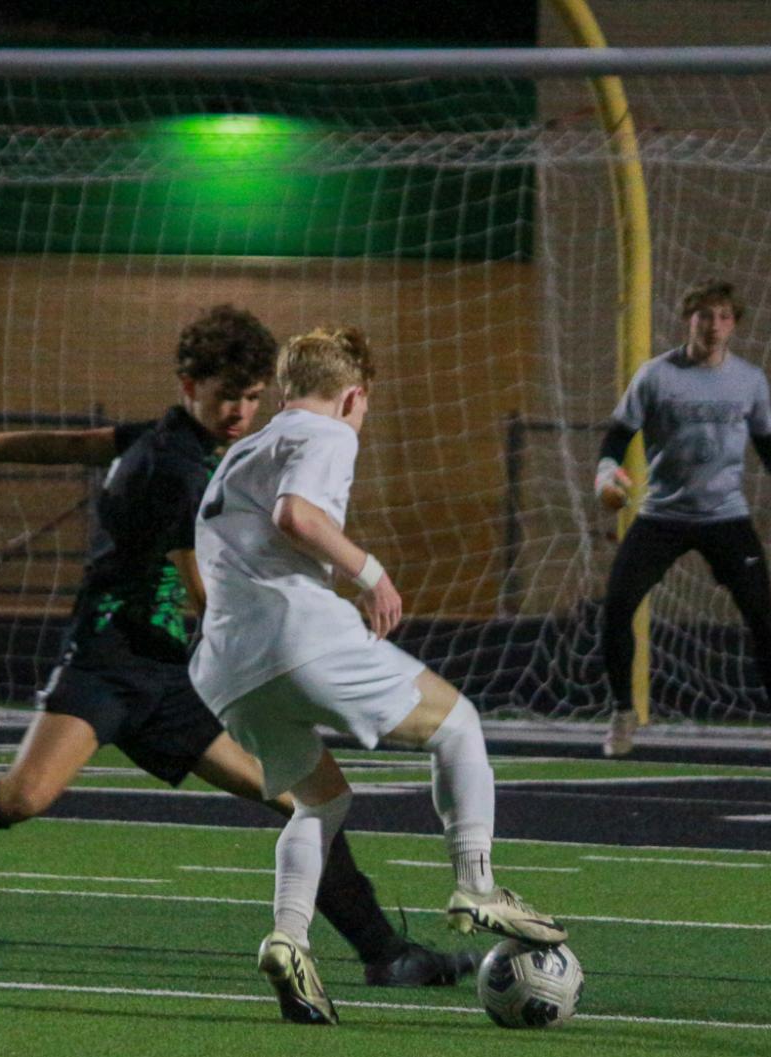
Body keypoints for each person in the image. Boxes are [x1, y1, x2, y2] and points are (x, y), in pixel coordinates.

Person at [0, 305, 474, 990]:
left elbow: (79, 442)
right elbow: (205, 591)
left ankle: (384, 951)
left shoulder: (186, 443)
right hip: (111, 658)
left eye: (253, 397)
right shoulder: (175, 467)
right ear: (188, 386)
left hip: (176, 674)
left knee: (301, 801)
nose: (240, 410)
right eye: (226, 395)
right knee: (22, 797)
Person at [191, 325, 564, 1027]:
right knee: (457, 724)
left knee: (319, 802)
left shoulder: (243, 449)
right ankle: (476, 884)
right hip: (293, 634)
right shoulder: (329, 432)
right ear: (353, 394)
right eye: (363, 406)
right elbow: (295, 514)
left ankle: (288, 939)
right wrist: (369, 573)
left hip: (224, 666)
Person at [593, 279, 771, 764]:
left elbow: (770, 446)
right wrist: (606, 474)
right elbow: (616, 437)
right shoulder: (655, 376)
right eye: (705, 316)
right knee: (617, 607)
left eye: (724, 317)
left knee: (763, 620)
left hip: (727, 518)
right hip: (662, 515)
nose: (714, 325)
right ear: (689, 319)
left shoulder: (749, 380)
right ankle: (623, 713)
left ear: (734, 325)